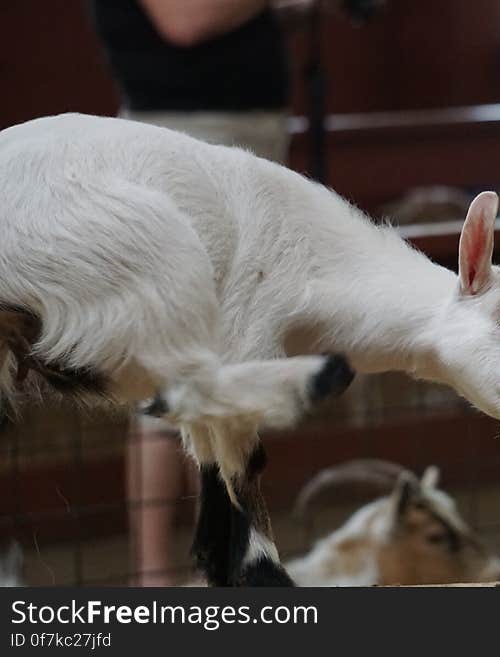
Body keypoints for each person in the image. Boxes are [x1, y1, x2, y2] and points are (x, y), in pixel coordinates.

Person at [91, 0, 296, 585]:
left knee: (225, 359)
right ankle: (154, 577)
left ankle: (225, 565)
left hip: (243, 138)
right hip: (181, 140)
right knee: (166, 364)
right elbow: (187, 18)